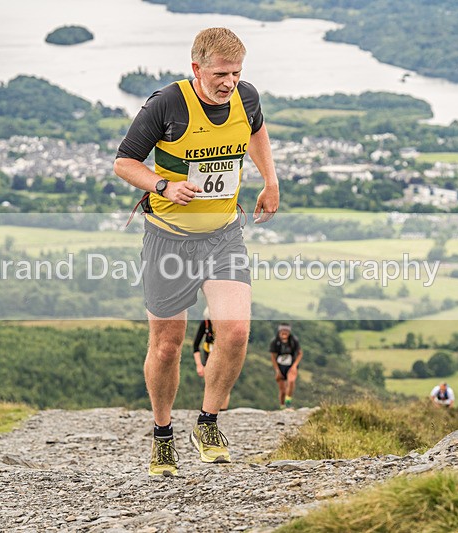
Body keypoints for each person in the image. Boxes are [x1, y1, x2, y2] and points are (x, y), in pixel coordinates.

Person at [114, 27, 279, 477]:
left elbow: (256, 132)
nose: (229, 82)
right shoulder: (167, 104)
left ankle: (207, 423)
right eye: (221, 73)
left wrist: (270, 180)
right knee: (167, 347)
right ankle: (163, 434)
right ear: (197, 69)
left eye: (237, 72)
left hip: (224, 235)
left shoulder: (246, 98)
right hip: (168, 239)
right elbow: (124, 162)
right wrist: (163, 184)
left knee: (236, 333)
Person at [192, 307, 230, 411]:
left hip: (223, 356)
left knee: (224, 382)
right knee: (210, 382)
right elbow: (196, 345)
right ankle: (209, 410)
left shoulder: (225, 325)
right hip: (208, 356)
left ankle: (223, 409)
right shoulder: (205, 324)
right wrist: (199, 365)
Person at [269, 323, 302, 409]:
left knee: (291, 382)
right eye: (282, 332)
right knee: (282, 390)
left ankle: (288, 403)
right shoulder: (275, 342)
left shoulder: (294, 341)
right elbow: (273, 357)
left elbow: (300, 353)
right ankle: (282, 406)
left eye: (286, 332)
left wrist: (294, 366)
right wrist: (277, 370)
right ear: (279, 332)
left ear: (289, 332)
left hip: (291, 365)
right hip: (280, 366)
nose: (284, 334)